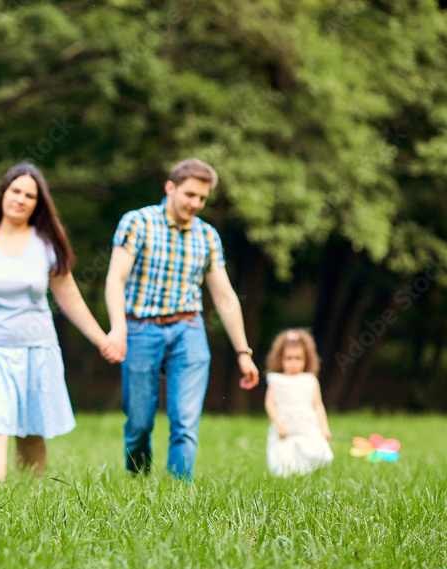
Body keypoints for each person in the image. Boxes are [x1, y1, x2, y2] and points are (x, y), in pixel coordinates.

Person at [0, 163, 118, 481]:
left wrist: (103, 340)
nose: (21, 199)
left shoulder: (46, 245)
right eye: (16, 190)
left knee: (32, 432)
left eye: (30, 195)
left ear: (38, 204)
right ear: (3, 193)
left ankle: (32, 500)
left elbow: (70, 298)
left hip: (38, 351)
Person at [104, 158, 259, 480]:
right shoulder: (138, 222)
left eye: (202, 198)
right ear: (170, 187)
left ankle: (178, 492)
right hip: (140, 327)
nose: (195, 203)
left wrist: (243, 352)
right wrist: (118, 329)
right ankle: (138, 479)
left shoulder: (207, 235)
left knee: (185, 421)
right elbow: (116, 280)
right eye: (190, 195)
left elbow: (225, 297)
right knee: (138, 422)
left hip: (188, 329)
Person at [263, 329, 333, 477]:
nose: (293, 363)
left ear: (306, 359)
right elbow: (270, 404)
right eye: (289, 358)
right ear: (280, 359)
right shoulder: (276, 380)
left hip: (307, 427)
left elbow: (318, 405)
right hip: (285, 426)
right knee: (285, 457)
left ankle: (309, 475)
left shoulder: (310, 380)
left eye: (298, 358)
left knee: (310, 452)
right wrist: (278, 424)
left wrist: (324, 428)